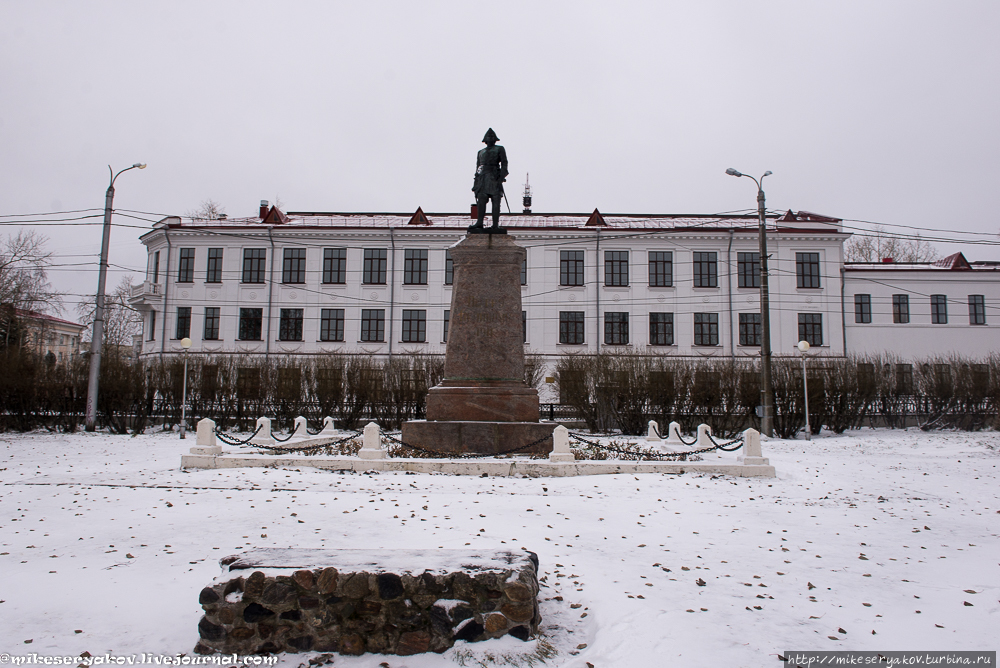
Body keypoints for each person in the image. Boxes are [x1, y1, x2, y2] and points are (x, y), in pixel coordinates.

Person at [471, 128, 508, 230]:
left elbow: (504, 163)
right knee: (481, 200)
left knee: (496, 201)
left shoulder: (500, 149)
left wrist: (501, 176)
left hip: (494, 176)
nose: (490, 138)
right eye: (488, 137)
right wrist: (476, 182)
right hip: (483, 178)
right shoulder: (480, 152)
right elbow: (478, 168)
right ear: (485, 139)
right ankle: (479, 222)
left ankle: (495, 224)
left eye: (492, 136)